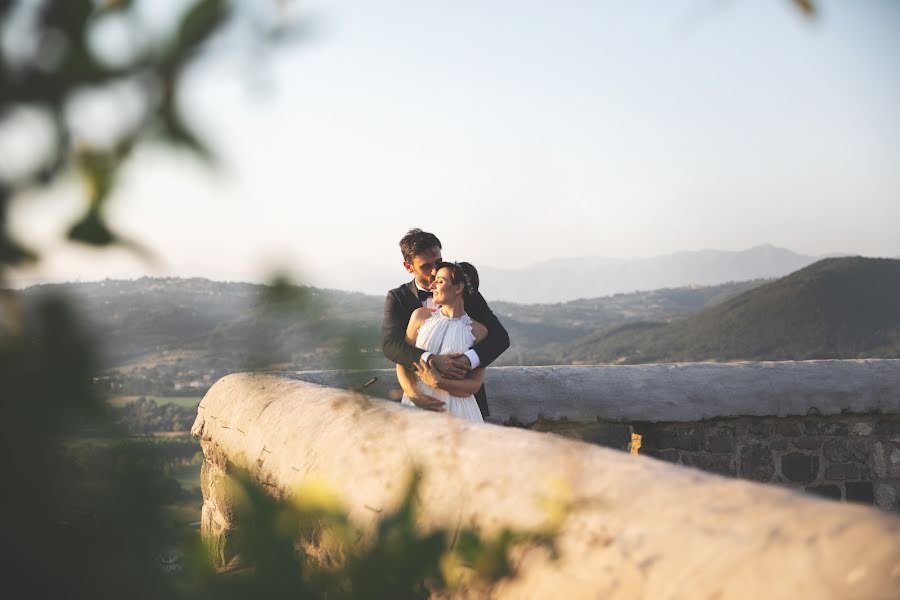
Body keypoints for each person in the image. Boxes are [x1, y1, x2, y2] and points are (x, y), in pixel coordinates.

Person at [382, 229, 509, 417]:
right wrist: (430, 361)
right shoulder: (399, 298)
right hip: (420, 404)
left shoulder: (467, 292)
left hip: (463, 402)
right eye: (426, 266)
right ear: (409, 266)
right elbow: (392, 345)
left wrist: (467, 360)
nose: (434, 271)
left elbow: (499, 338)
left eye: (439, 263)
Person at [396, 261, 487, 421]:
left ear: (458, 288)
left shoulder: (478, 331)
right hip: (416, 406)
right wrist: (414, 396)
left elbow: (474, 384)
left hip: (458, 412)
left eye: (439, 281)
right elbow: (402, 362)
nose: (432, 286)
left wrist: (439, 382)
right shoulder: (419, 316)